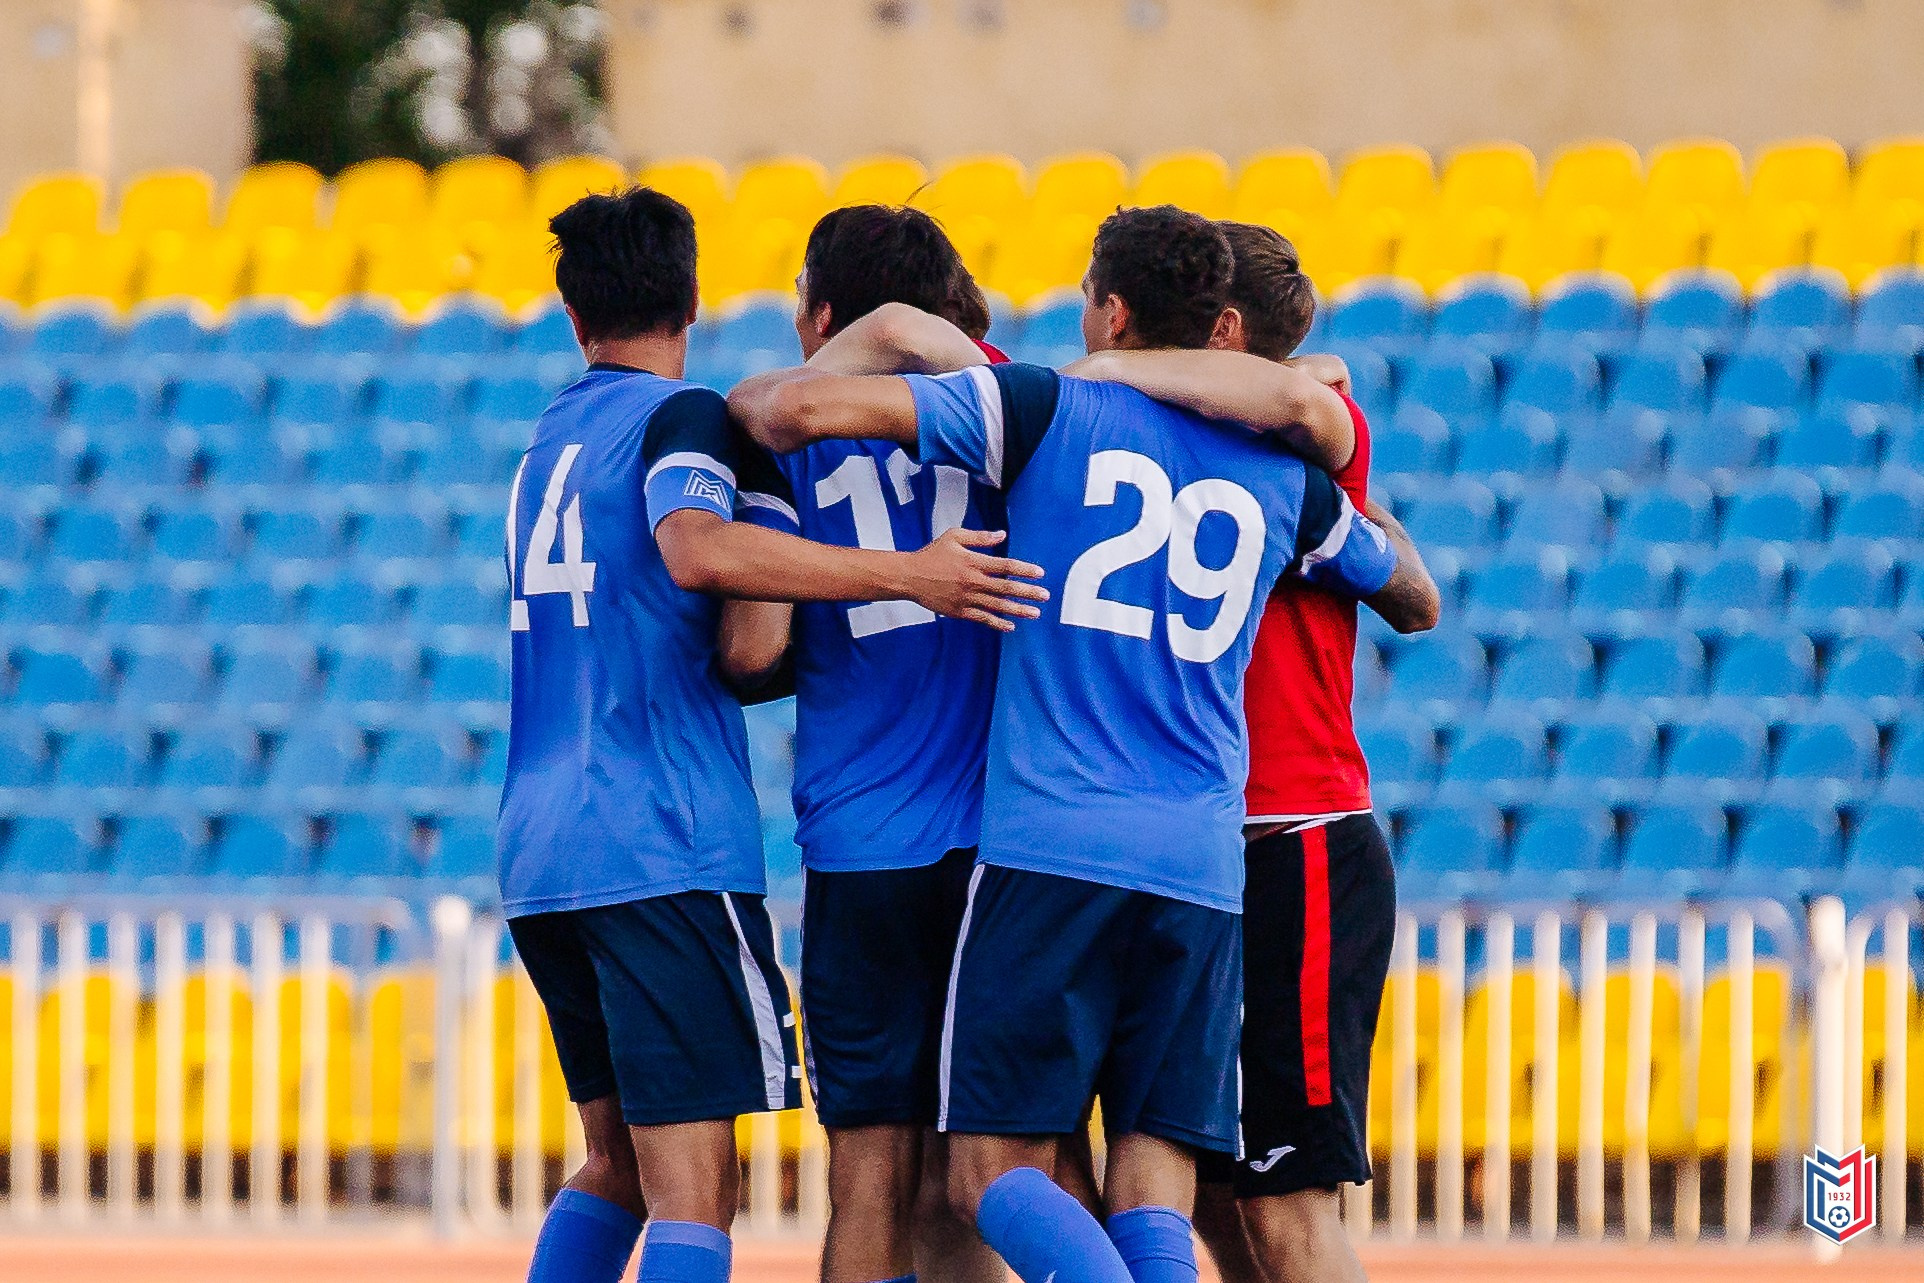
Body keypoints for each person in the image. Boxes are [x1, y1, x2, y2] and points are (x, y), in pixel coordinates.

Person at [728, 206, 1433, 1283]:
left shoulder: (1045, 410)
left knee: (976, 1171)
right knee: (1155, 1170)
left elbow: (787, 414)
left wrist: (924, 346)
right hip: (1201, 859)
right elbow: (1407, 586)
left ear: (1109, 310)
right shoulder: (1285, 472)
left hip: (1044, 844)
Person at [498, 187, 1047, 1283]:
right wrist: (905, 574)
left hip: (543, 844)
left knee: (617, 1161)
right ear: (694, 299)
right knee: (712, 1191)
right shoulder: (689, 417)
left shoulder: (544, 445)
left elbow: (745, 643)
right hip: (668, 836)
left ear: (571, 316)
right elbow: (716, 583)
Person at [1076, 222, 1439, 1283]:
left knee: (1287, 1200)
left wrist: (1107, 362)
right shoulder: (1154, 431)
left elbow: (1301, 400)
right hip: (1196, 850)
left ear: (1222, 328)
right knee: (1221, 1197)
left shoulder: (1298, 431)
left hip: (1295, 833)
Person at [718, 203, 1014, 1283]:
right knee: (1002, 1167)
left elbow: (750, 653)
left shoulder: (778, 440)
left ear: (824, 313)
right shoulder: (1008, 415)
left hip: (860, 842)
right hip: (1001, 842)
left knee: (869, 1179)